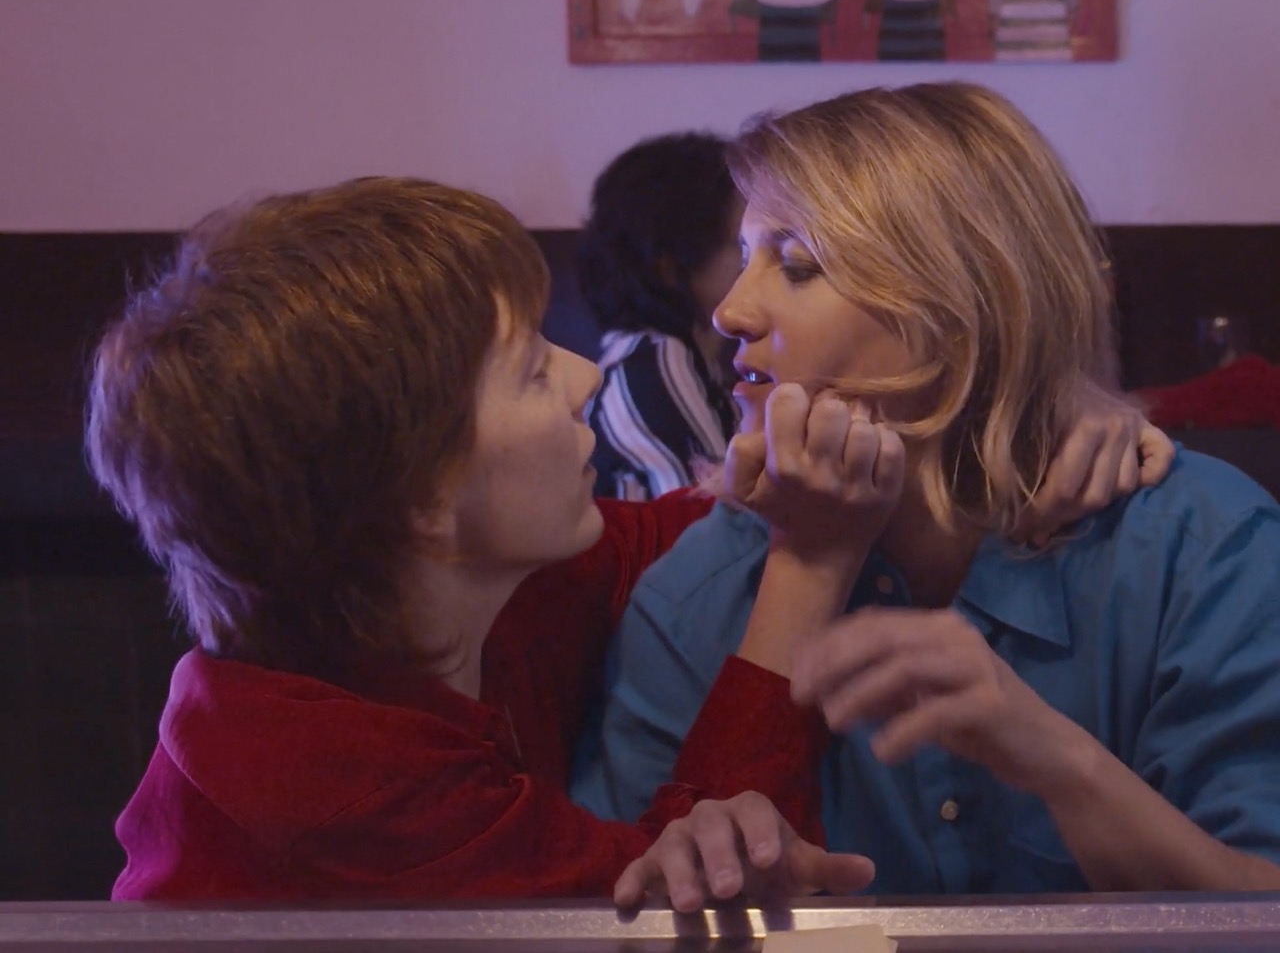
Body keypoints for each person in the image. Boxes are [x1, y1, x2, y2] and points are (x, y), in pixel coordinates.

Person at [86, 176, 888, 909]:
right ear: (426, 498)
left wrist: (757, 494)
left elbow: (649, 541)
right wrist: (808, 565)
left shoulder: (459, 583)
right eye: (532, 373)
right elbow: (676, 898)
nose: (585, 378)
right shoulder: (343, 787)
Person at [572, 82, 1280, 894]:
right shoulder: (699, 593)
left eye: (797, 264)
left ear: (965, 303)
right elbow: (616, 900)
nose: (731, 311)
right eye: (742, 259)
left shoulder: (1201, 550)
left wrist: (1062, 762)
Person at [578, 132, 743, 500]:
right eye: (742, 243)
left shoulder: (686, 358)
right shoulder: (655, 363)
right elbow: (705, 519)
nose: (758, 262)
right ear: (670, 267)